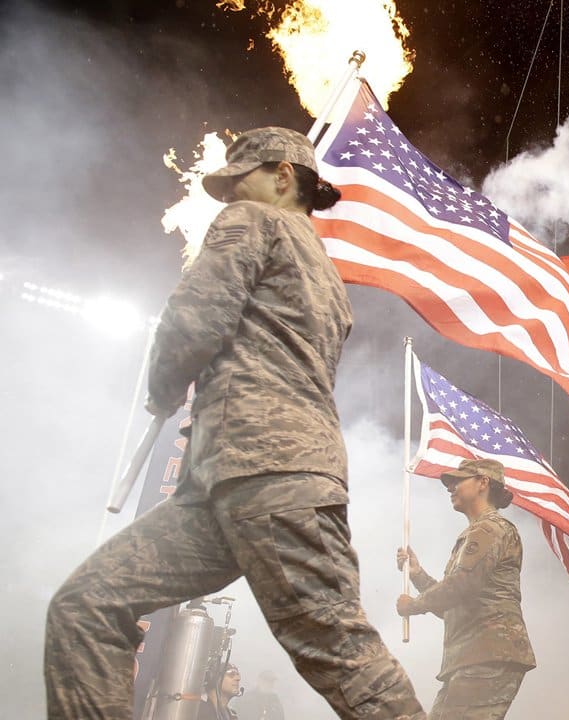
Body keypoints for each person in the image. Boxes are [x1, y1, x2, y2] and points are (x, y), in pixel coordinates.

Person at [44, 127, 426, 719]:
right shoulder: (325, 270)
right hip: (233, 483)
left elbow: (195, 318)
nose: (229, 198)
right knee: (88, 604)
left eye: (239, 180)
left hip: (267, 474)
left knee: (335, 646)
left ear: (282, 176)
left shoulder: (254, 222)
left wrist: (163, 386)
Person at [396, 458, 536, 720]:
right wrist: (417, 575)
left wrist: (414, 605)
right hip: (478, 656)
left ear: (483, 483)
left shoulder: (489, 528)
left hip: (486, 655)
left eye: (459, 480)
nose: (451, 487)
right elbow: (457, 604)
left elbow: (461, 587)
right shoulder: (481, 531)